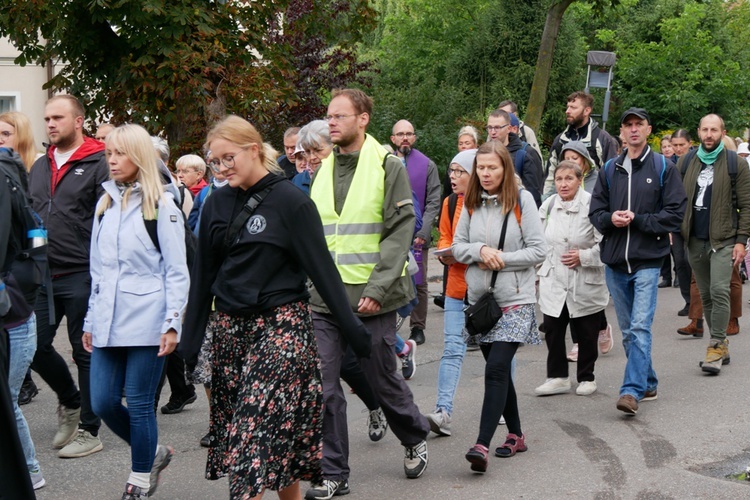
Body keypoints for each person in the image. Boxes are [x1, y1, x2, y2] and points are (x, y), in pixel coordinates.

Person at [178, 114, 370, 499]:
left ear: (253, 150)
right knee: (274, 442)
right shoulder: (215, 204)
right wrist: (191, 338)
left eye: (228, 157)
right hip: (231, 332)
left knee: (251, 434)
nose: (221, 167)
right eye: (215, 161)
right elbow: (202, 280)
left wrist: (354, 331)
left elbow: (323, 271)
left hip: (282, 330)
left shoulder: (291, 203)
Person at [306, 89, 430, 498]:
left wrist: (377, 289)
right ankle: (333, 472)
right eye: (329, 117)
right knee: (323, 385)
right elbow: (317, 235)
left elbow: (400, 232)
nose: (332, 123)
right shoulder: (321, 169)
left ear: (363, 119)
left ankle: (414, 435)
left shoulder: (386, 165)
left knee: (380, 379)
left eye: (340, 116)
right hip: (326, 300)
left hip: (373, 297)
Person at [82, 124, 187, 499]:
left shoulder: (162, 204)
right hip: (108, 320)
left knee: (140, 404)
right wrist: (91, 320)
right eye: (109, 153)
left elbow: (177, 270)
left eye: (121, 153)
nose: (112, 160)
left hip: (148, 319)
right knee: (102, 402)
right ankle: (153, 452)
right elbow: (98, 270)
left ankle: (139, 479)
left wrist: (172, 323)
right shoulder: (105, 203)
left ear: (139, 156)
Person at [452, 140, 547, 473]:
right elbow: (457, 247)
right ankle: (517, 434)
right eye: (481, 167)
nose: (486, 173)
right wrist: (479, 251)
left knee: (494, 371)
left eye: (492, 167)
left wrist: (501, 259)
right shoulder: (471, 203)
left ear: (505, 169)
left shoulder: (523, 200)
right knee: (500, 373)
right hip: (483, 304)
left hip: (516, 301)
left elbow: (539, 251)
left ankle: (481, 444)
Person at [589, 108, 686, 415]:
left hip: (648, 260)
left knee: (640, 327)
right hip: (616, 262)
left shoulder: (662, 167)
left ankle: (631, 391)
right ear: (622, 132)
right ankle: (649, 381)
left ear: (648, 130)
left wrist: (639, 220)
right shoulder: (609, 169)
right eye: (628, 125)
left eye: (638, 125)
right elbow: (595, 213)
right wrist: (611, 219)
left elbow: (675, 213)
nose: (633, 130)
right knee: (630, 329)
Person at [28, 94, 109, 458]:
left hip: (83, 271)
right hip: (43, 273)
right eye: (47, 118)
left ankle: (90, 430)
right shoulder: (39, 165)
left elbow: (109, 218)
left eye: (58, 117)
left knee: (85, 351)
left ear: (78, 121)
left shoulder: (99, 161)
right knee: (32, 345)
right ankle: (71, 402)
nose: (50, 124)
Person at [678, 114, 750, 374]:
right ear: (698, 132)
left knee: (720, 291)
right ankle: (722, 344)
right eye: (705, 130)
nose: (709, 134)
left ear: (723, 132)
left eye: (714, 130)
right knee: (706, 295)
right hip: (694, 239)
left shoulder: (735, 164)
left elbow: (747, 205)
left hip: (724, 239)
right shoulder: (686, 161)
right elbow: (675, 198)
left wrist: (742, 240)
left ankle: (716, 344)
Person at [535, 160, 608, 397]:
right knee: (553, 329)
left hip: (585, 279)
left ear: (580, 180)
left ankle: (587, 376)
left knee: (586, 331)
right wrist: (537, 269)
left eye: (569, 179)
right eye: (559, 179)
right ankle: (557, 377)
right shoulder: (547, 205)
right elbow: (536, 241)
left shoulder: (593, 204)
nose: (563, 184)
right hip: (553, 278)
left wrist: (584, 256)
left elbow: (606, 244)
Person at [1, 140, 46, 490]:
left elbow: (39, 260)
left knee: (9, 401)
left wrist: (18, 288)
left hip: (16, 322)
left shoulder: (26, 213)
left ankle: (31, 470)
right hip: (14, 318)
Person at [425, 148, 476, 436]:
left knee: (498, 352)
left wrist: (459, 251)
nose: (453, 177)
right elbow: (444, 236)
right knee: (452, 350)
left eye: (460, 172)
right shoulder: (448, 203)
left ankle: (506, 407)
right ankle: (443, 411)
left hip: (487, 292)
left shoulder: (488, 204)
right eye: (452, 172)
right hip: (456, 288)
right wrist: (446, 252)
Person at [559, 142, 614, 358]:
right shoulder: (560, 184)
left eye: (575, 158)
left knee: (590, 299)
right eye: (567, 157)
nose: (570, 162)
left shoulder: (595, 181)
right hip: (566, 245)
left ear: (584, 162)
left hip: (589, 244)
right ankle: (579, 341)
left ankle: (601, 328)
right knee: (571, 295)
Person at [390, 119, 441, 346]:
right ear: (393, 139)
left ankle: (418, 327)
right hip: (391, 234)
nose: (405, 138)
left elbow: (433, 200)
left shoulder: (427, 165)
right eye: (400, 134)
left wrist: (424, 229)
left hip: (418, 234)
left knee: (419, 282)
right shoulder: (384, 162)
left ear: (414, 138)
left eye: (409, 134)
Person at [543, 91, 619, 200]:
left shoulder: (602, 139)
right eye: (568, 107)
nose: (567, 111)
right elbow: (550, 177)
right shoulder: (560, 140)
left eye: (573, 108)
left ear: (587, 111)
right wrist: (546, 200)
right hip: (562, 204)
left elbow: (612, 175)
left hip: (593, 202)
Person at [486, 109, 544, 207]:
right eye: (490, 128)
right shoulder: (484, 155)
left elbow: (533, 196)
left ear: (509, 128)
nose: (493, 132)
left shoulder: (525, 155)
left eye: (497, 128)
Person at [291, 120, 332, 195]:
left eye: (318, 150)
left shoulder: (344, 177)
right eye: (307, 152)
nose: (312, 157)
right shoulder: (298, 181)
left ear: (333, 146)